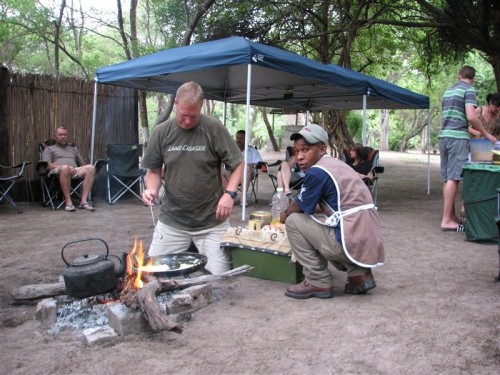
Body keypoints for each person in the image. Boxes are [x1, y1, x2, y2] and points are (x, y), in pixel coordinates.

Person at [141, 81, 244, 275]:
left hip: (212, 221)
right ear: (175, 103)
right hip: (173, 220)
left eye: (193, 116)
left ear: (201, 106)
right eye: (183, 115)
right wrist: (152, 190)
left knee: (221, 278)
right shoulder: (162, 132)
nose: (187, 121)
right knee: (152, 274)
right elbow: (154, 171)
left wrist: (230, 194)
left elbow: (238, 163)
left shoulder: (213, 128)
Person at [279, 124, 384, 299]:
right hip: (368, 238)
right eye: (296, 152)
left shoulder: (317, 172)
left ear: (321, 149)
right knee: (319, 218)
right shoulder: (338, 165)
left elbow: (297, 207)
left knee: (293, 221)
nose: (299, 157)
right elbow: (333, 204)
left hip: (350, 237)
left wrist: (284, 214)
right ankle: (359, 275)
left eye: (305, 150)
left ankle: (316, 280)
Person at [439, 66, 497, 232]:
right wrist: (486, 134)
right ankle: (446, 220)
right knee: (454, 178)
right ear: (473, 78)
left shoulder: (449, 91)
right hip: (458, 137)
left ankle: (451, 216)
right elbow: (471, 116)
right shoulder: (469, 89)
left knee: (448, 178)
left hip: (444, 136)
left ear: (459, 76)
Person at [42, 126, 96, 212]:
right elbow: (48, 165)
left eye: (65, 135)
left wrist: (85, 168)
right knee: (65, 168)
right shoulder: (49, 149)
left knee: (91, 168)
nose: (63, 137)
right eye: (60, 135)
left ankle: (84, 201)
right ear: (55, 137)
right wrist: (64, 166)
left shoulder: (73, 150)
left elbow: (82, 164)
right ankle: (68, 202)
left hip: (74, 170)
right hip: (57, 172)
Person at [222, 129, 262, 205]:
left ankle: (243, 197)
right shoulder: (231, 151)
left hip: (248, 173)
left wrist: (249, 165)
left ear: (246, 139)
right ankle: (233, 195)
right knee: (219, 172)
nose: (238, 140)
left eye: (241, 138)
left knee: (246, 168)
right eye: (237, 138)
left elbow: (260, 163)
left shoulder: (252, 151)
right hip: (232, 172)